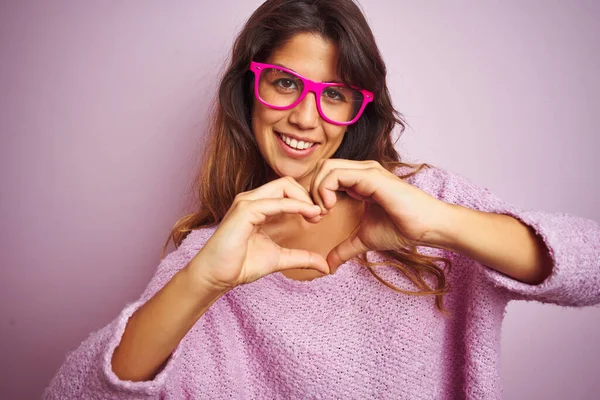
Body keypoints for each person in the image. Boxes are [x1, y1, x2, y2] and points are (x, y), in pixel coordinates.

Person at [44, 0, 600, 398]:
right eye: (285, 82)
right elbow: (73, 392)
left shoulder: (427, 201)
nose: (306, 117)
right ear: (249, 89)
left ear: (361, 107)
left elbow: (591, 266)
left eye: (334, 94)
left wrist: (438, 224)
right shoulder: (215, 254)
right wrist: (201, 280)